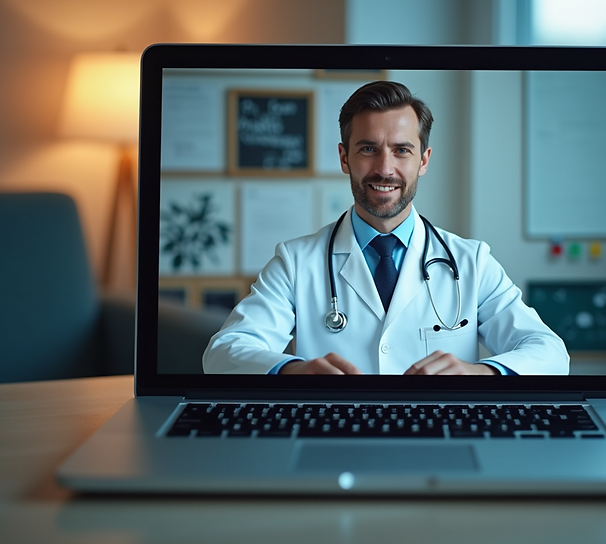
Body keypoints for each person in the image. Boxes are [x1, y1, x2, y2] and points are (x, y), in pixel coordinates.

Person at [204, 81, 568, 375]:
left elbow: (550, 352)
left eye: (402, 150)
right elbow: (223, 353)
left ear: (423, 160)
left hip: (440, 432)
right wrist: (292, 371)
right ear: (344, 157)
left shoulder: (471, 261)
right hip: (336, 431)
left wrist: (481, 373)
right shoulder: (296, 262)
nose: (384, 168)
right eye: (368, 149)